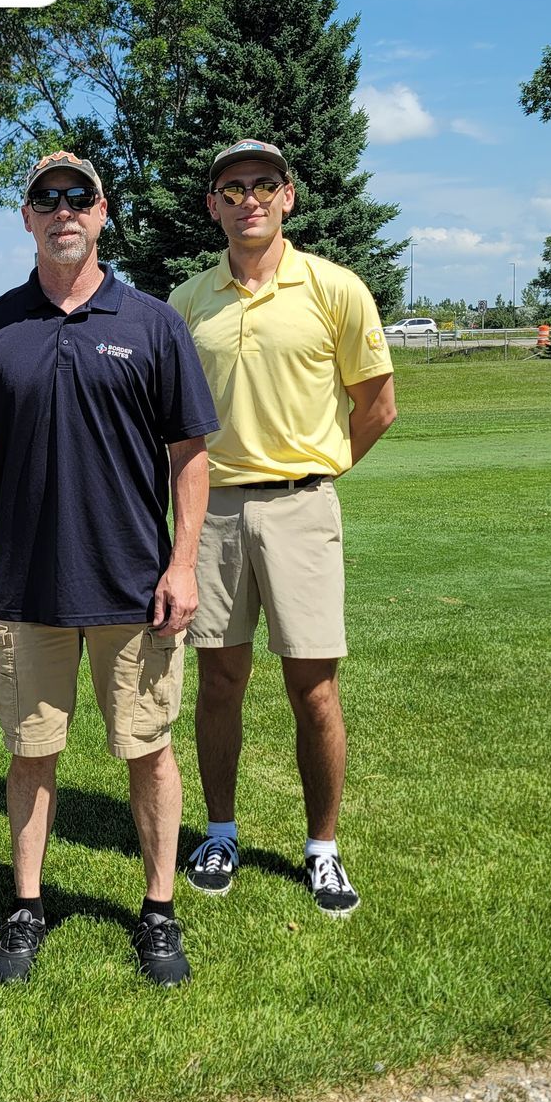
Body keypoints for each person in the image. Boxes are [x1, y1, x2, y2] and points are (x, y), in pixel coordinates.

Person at [0, 151, 218, 987]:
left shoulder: (153, 322)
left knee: (148, 749)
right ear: (26, 217)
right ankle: (26, 907)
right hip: (25, 591)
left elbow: (190, 457)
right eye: (45, 198)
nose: (63, 210)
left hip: (137, 588)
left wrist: (183, 564)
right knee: (31, 753)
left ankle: (158, 912)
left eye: (78, 197)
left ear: (104, 213)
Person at [167, 138, 397, 916]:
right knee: (219, 681)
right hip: (216, 509)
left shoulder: (334, 288)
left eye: (263, 185)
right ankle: (221, 832)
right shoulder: (188, 301)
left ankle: (322, 848)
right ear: (214, 206)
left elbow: (379, 406)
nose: (248, 200)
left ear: (288, 197)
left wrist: (319, 473)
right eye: (231, 188)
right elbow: (169, 424)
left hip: (303, 504)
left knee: (315, 687)